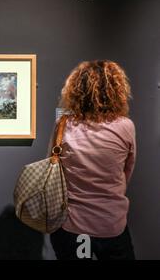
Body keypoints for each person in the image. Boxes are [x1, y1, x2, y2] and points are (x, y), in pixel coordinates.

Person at [49, 60, 136, 260]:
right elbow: (126, 172)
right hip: (111, 223)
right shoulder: (126, 126)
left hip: (72, 224)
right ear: (117, 90)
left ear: (75, 91)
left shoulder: (63, 125)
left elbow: (52, 168)